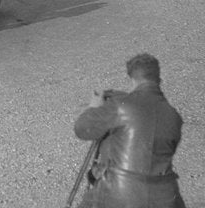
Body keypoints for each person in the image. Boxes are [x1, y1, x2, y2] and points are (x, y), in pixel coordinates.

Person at [74, 53, 186, 208]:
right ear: (159, 79)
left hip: (120, 193)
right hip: (166, 197)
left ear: (132, 79)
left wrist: (94, 107)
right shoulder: (174, 115)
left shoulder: (121, 105)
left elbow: (81, 129)